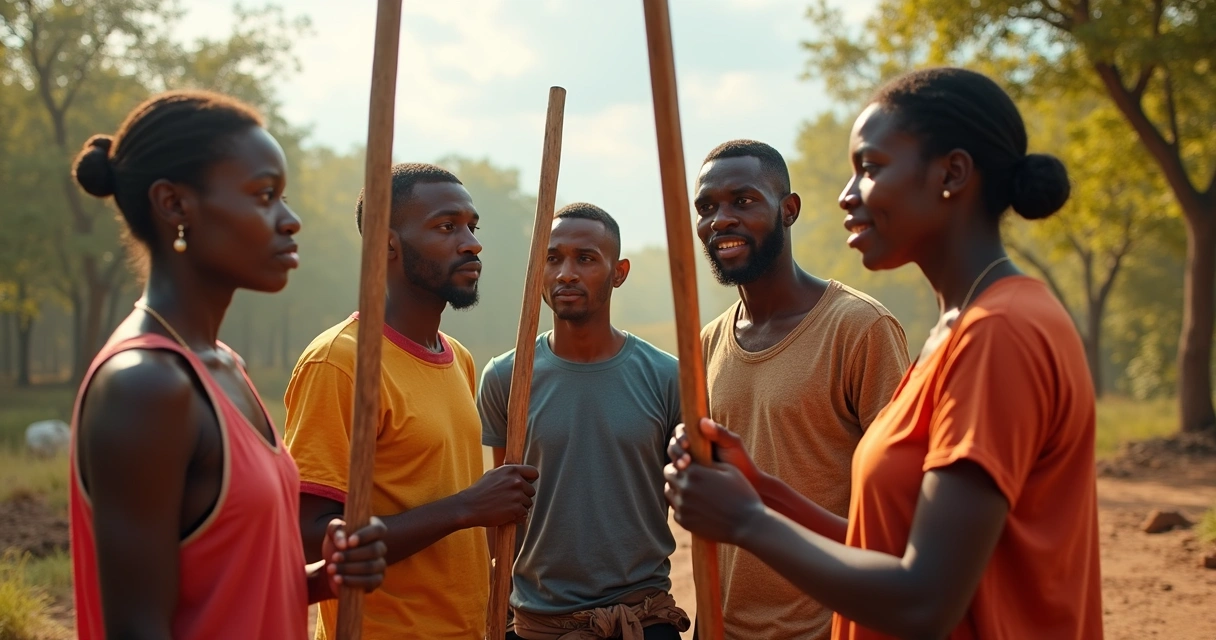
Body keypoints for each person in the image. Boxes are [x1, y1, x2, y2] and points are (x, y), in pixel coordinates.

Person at [666, 67, 1102, 639]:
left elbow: (924, 601)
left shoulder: (1001, 333)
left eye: (869, 169)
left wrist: (746, 522)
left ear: (952, 173)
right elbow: (886, 545)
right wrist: (762, 492)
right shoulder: (957, 329)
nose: (848, 196)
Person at [68, 90, 388, 640]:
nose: (290, 221)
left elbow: (227, 591)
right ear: (174, 205)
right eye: (265, 195)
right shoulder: (146, 386)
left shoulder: (224, 366)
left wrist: (323, 577)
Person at [284, 162, 540, 639]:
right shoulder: (341, 363)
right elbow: (307, 537)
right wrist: (465, 508)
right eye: (447, 227)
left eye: (472, 226)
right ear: (388, 244)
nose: (471, 243)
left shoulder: (457, 358)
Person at [692, 139, 910, 639]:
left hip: (828, 627)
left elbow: (898, 512)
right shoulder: (707, 343)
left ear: (788, 210)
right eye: (707, 207)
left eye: (743, 201)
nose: (720, 219)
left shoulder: (860, 328)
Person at [478, 203, 690, 640]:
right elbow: (504, 507)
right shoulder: (507, 378)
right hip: (539, 624)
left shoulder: (668, 377)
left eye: (586, 258)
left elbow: (701, 506)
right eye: (552, 258)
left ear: (619, 271)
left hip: (642, 620)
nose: (566, 273)